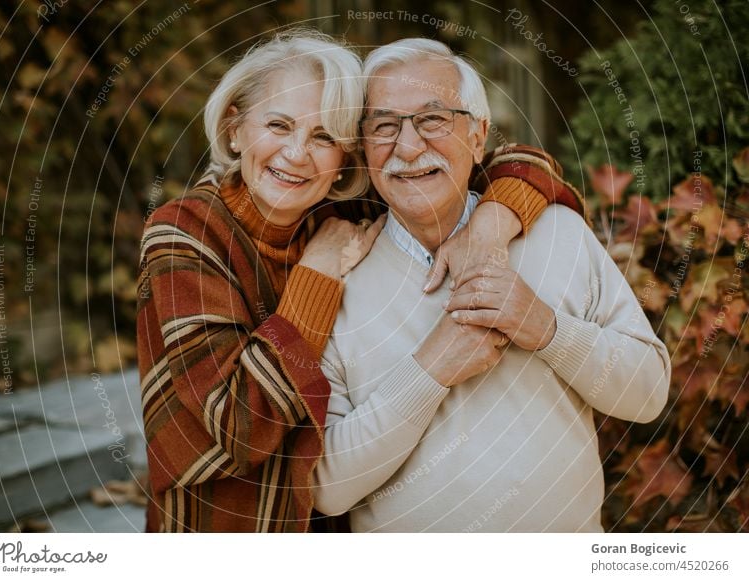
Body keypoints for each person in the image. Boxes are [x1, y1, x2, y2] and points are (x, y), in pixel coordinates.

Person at [137, 30, 579, 533]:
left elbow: (525, 163)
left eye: (325, 136)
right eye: (278, 125)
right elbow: (241, 424)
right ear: (235, 129)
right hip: (232, 525)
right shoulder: (185, 232)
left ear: (347, 154)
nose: (299, 154)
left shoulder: (351, 203)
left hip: (343, 516)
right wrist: (317, 270)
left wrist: (491, 225)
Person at [312, 38, 671, 532]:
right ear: (363, 147)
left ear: (478, 137)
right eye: (384, 125)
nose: (408, 146)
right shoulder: (339, 275)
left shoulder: (556, 233)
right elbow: (327, 488)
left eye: (433, 119)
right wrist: (430, 371)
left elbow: (648, 394)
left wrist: (545, 328)